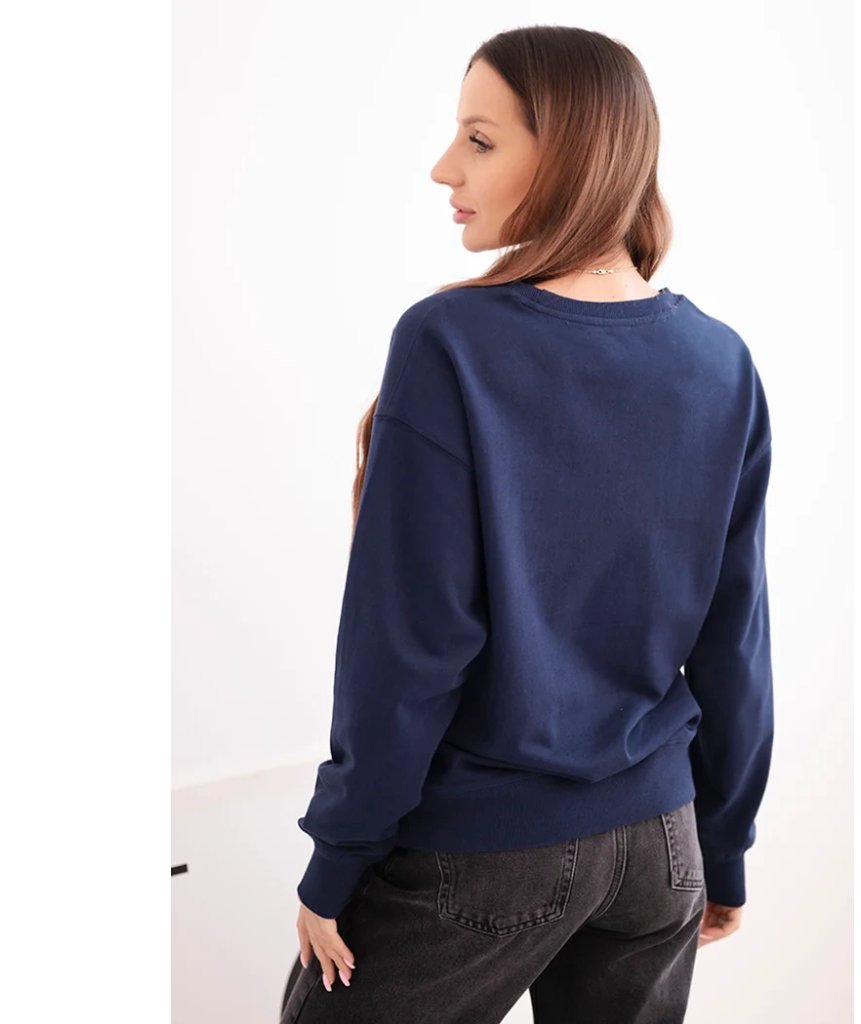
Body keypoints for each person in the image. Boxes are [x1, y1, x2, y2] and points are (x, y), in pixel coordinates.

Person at [282, 24, 774, 1024]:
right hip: (661, 843)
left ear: (572, 154)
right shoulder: (721, 363)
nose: (443, 168)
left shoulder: (450, 343)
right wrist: (721, 846)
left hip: (485, 844)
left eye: (480, 139)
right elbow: (736, 642)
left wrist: (338, 856)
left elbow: (411, 644)